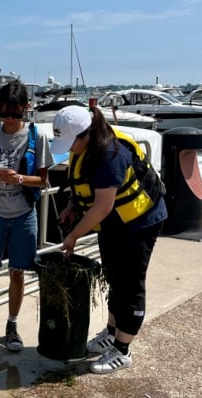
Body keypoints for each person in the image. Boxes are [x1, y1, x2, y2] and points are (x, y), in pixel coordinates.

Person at [51, 105, 167, 374]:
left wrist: (73, 236)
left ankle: (123, 350)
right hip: (115, 223)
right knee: (114, 277)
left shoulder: (110, 155)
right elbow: (83, 187)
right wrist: (72, 205)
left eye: (71, 142)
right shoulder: (85, 147)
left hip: (140, 222)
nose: (70, 148)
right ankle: (112, 333)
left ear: (86, 134)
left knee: (130, 285)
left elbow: (102, 206)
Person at [0, 80, 54, 351]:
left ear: (26, 109)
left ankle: (13, 324)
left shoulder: (36, 136)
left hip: (23, 214)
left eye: (15, 114)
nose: (8, 119)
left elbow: (42, 180)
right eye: (3, 114)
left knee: (18, 272)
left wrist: (19, 178)